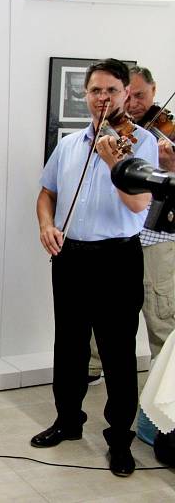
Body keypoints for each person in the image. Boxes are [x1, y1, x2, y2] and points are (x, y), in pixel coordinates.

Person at [33, 58, 158, 477]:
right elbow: (46, 192)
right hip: (70, 257)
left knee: (117, 352)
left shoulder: (140, 144)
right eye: (95, 91)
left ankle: (119, 440)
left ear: (126, 94)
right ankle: (68, 422)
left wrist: (111, 164)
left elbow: (140, 204)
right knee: (67, 344)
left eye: (111, 90)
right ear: (85, 95)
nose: (102, 98)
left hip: (116, 258)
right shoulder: (68, 144)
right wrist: (46, 225)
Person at [88, 65, 175, 384]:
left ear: (154, 90)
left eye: (141, 95)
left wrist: (171, 168)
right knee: (105, 305)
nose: (135, 102)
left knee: (159, 311)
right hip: (118, 234)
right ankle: (94, 365)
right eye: (129, 94)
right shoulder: (114, 127)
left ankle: (163, 383)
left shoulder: (167, 128)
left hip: (156, 235)